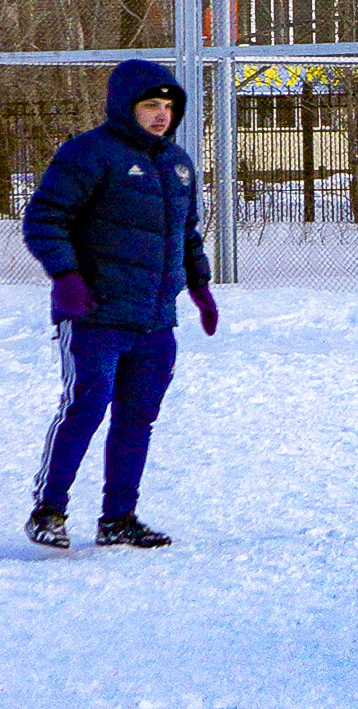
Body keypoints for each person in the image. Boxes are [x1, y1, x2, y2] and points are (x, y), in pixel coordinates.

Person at [20, 59, 219, 550]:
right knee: (86, 405)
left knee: (138, 417)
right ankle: (49, 510)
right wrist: (66, 276)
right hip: (95, 315)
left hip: (154, 321)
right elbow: (44, 219)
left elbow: (185, 233)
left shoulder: (177, 164)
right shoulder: (88, 154)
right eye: (150, 104)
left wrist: (199, 286)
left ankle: (118, 518)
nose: (160, 115)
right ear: (125, 105)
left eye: (168, 106)